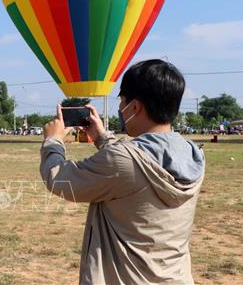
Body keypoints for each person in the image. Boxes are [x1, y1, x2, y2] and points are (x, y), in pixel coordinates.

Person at [40, 59, 205, 284]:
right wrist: (102, 138)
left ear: (134, 107)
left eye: (122, 102)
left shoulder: (122, 160)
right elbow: (133, 167)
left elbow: (61, 179)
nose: (120, 108)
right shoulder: (193, 153)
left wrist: (53, 141)